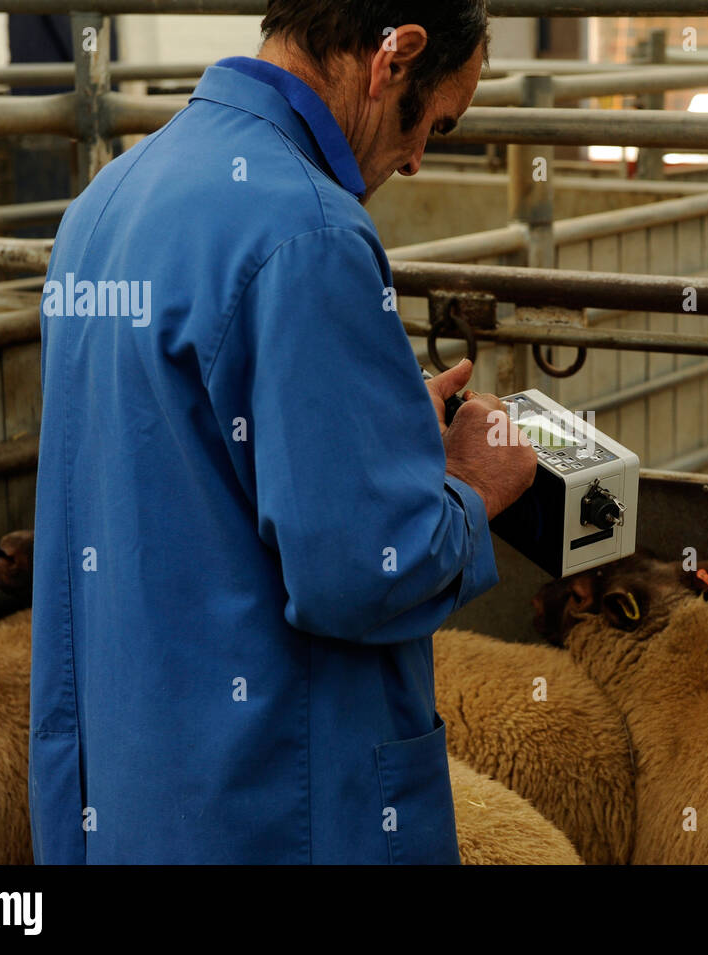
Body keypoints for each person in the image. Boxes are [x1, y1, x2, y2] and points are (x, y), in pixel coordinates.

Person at [30, 0, 536, 864]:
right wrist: (468, 485)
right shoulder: (311, 231)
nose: (417, 158)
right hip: (271, 809)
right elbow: (360, 570)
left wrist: (373, 430)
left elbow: (185, 456)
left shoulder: (102, 204)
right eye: (435, 125)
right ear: (395, 59)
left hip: (126, 798)